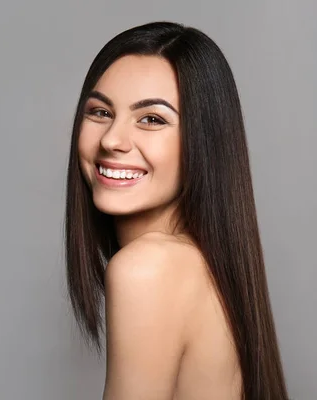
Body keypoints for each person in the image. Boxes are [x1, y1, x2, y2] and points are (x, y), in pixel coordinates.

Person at [65, 21, 288, 400]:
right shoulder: (205, 267)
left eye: (151, 119)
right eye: (100, 112)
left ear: (202, 142)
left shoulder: (147, 269)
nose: (112, 140)